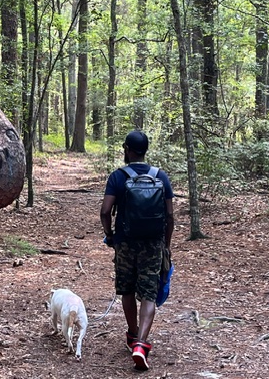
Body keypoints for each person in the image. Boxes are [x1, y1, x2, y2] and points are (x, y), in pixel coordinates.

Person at [100, 130, 174, 371]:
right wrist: (166, 244)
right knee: (149, 294)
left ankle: (132, 335)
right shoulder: (160, 176)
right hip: (153, 244)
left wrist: (110, 236)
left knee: (128, 291)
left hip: (125, 243)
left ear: (127, 149)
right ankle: (141, 343)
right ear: (145, 150)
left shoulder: (118, 177)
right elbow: (170, 216)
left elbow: (104, 211)